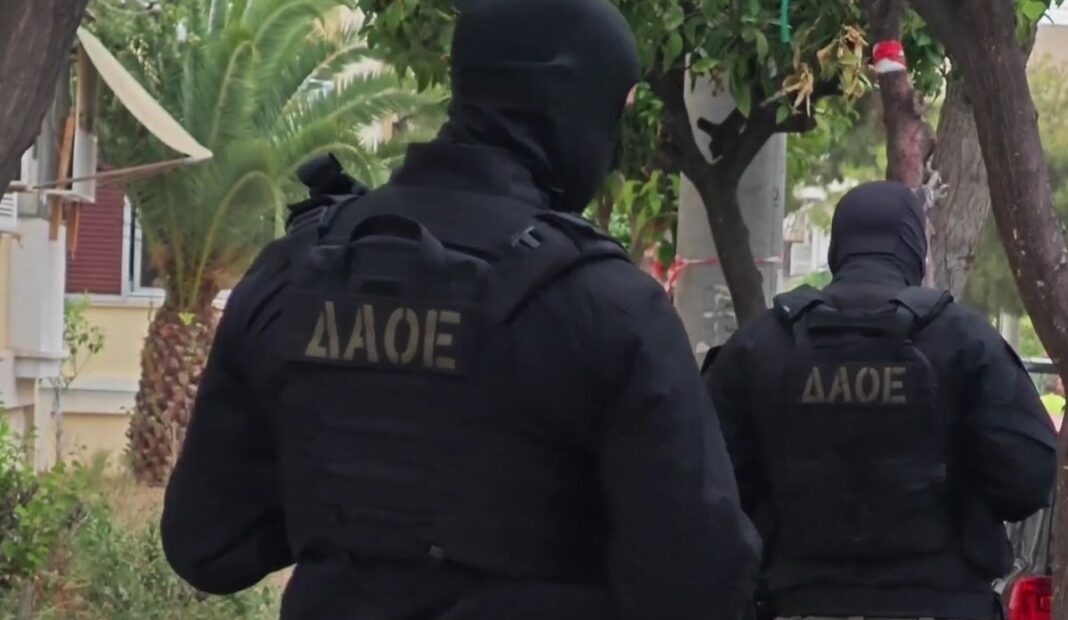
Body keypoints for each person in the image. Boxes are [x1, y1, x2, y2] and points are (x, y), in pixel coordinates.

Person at [160, 1, 760, 619]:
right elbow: (700, 583)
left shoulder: (293, 272)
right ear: (572, 101)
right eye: (615, 113)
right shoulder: (608, 307)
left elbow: (207, 544)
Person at [704, 181, 1057, 620]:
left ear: (838, 247)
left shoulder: (759, 345)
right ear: (914, 247)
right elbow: (1028, 480)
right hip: (941, 602)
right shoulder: (966, 341)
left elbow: (707, 483)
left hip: (797, 601)